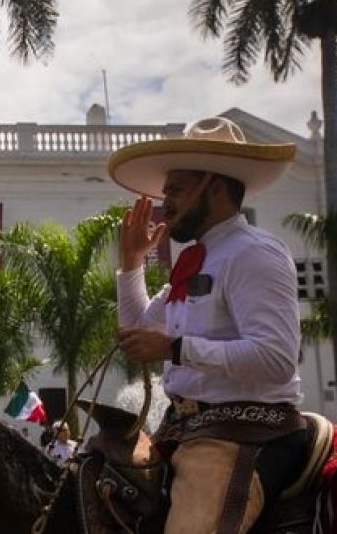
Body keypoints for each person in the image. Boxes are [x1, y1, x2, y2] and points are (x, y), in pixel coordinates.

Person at [111, 117, 306, 533]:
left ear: (213, 186)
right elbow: (135, 336)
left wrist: (176, 348)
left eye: (176, 191)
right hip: (185, 431)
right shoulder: (199, 260)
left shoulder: (254, 253)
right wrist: (131, 265)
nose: (166, 204)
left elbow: (276, 358)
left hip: (245, 434)